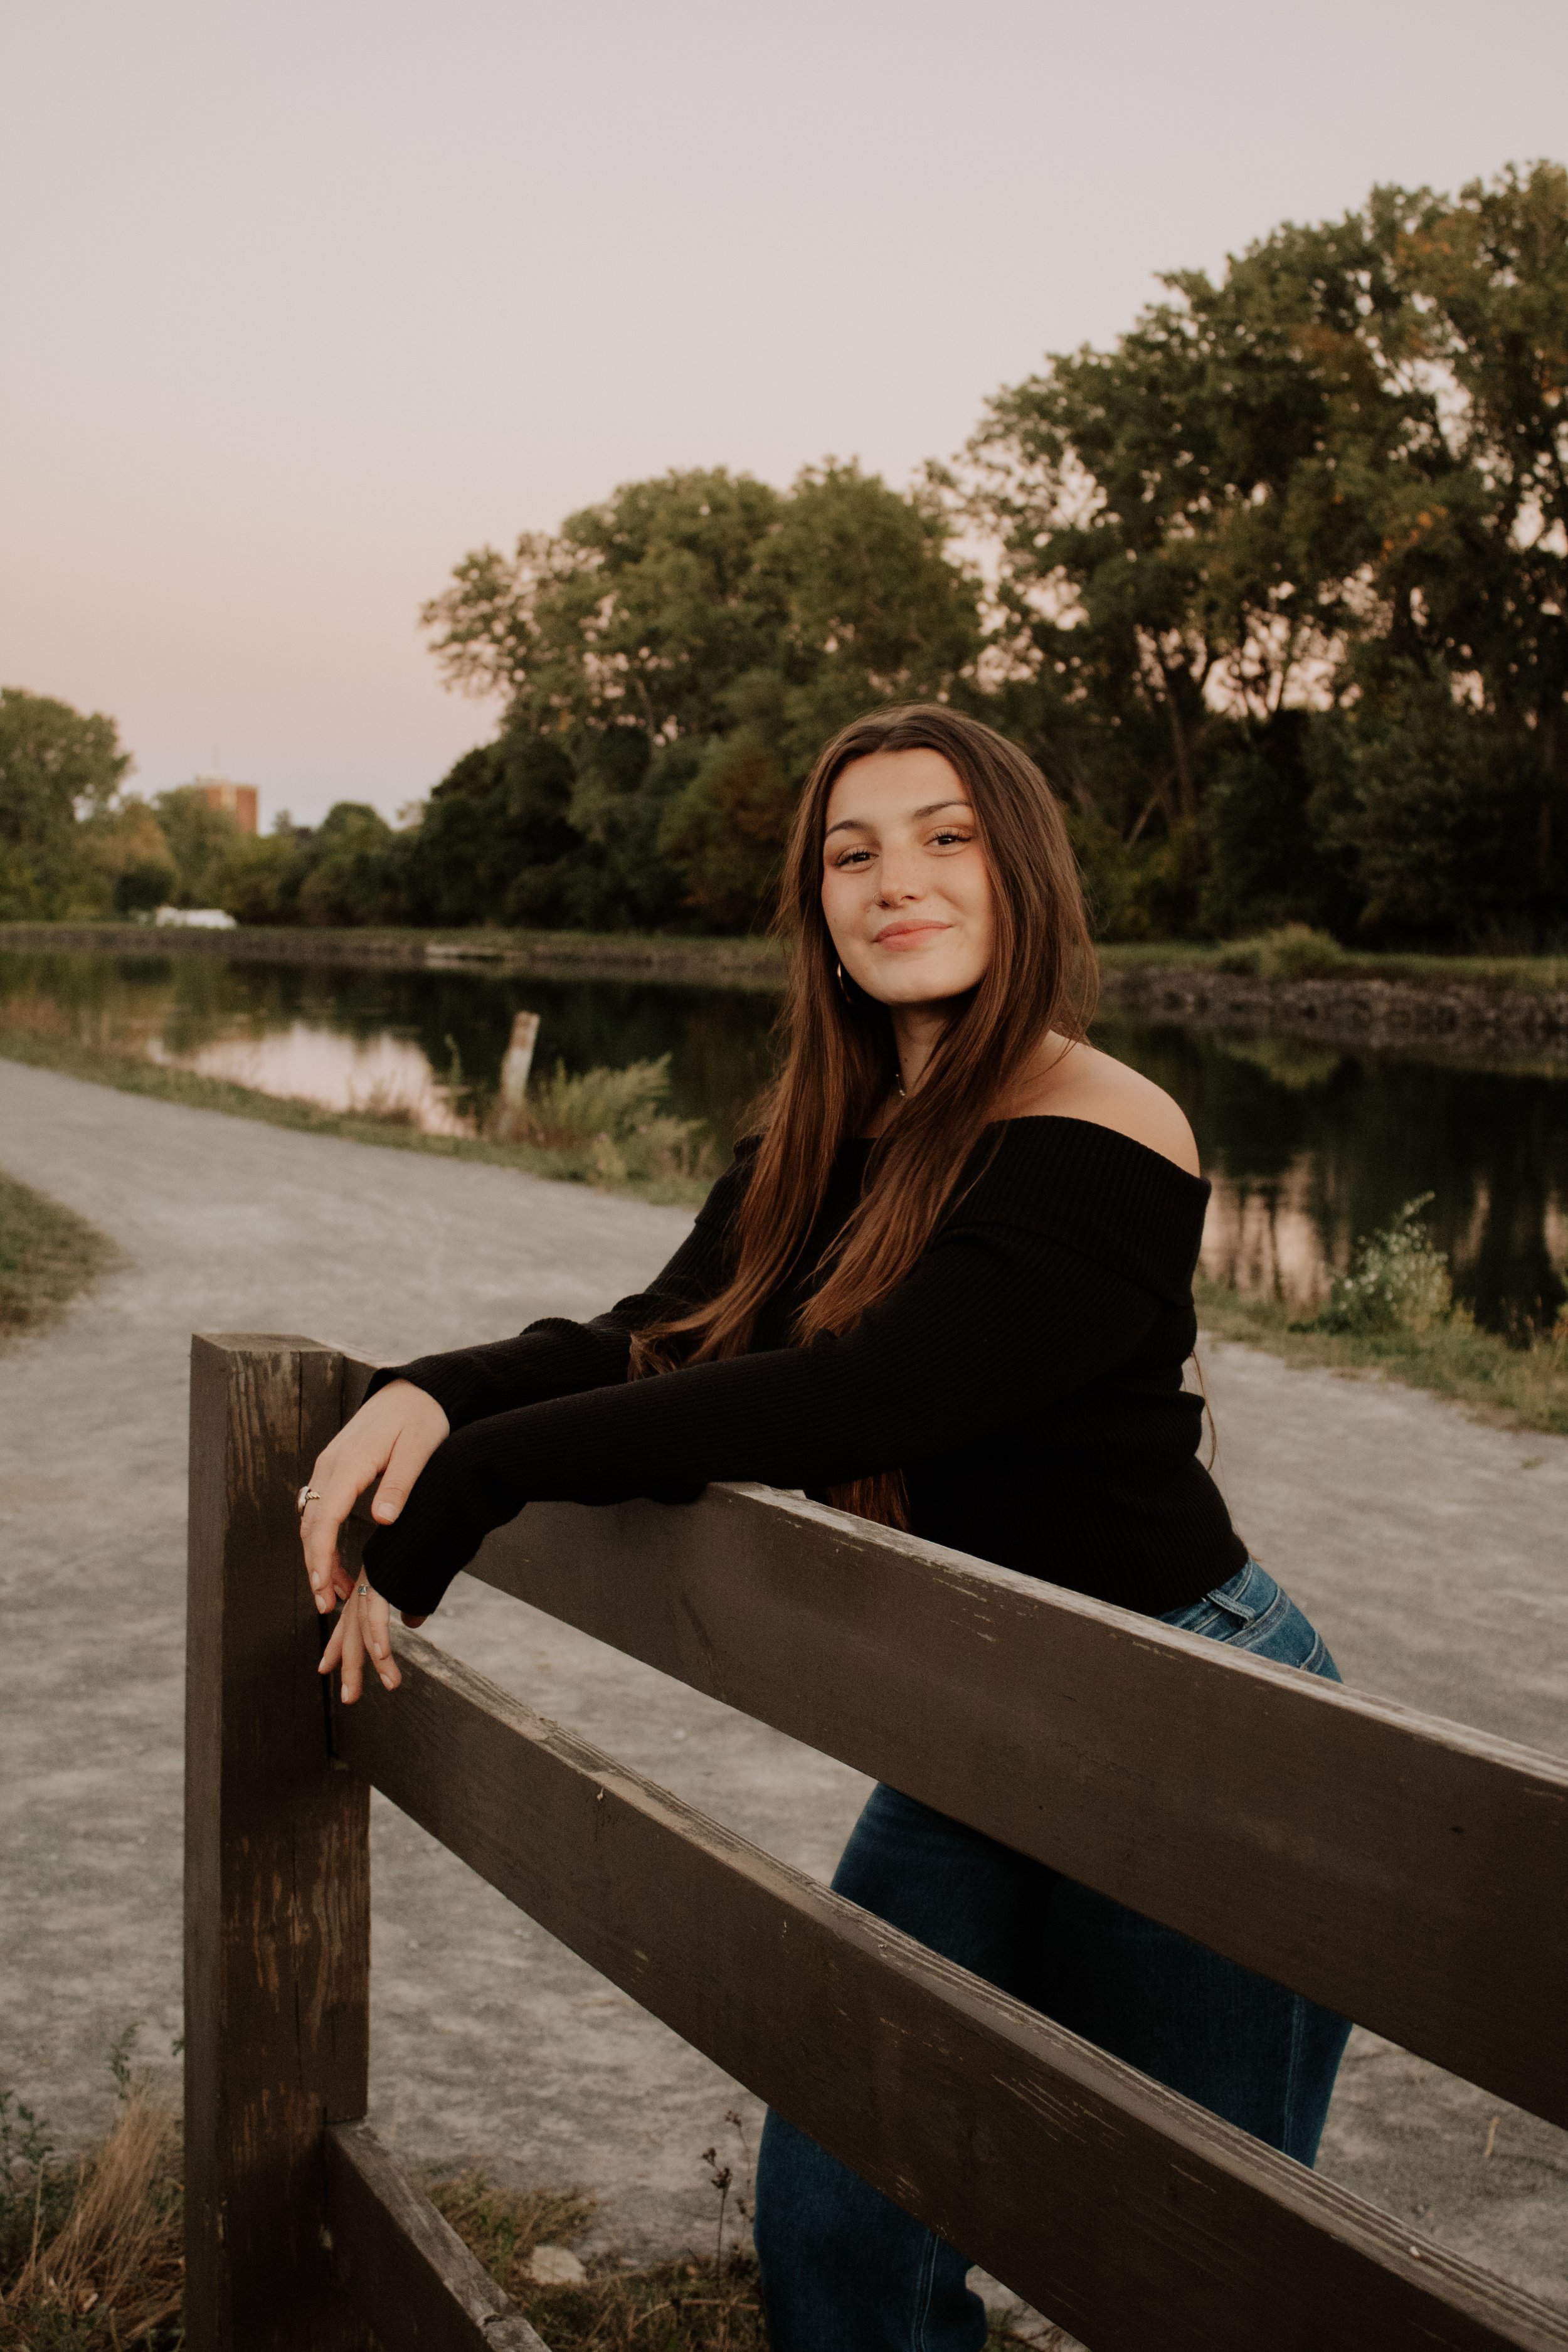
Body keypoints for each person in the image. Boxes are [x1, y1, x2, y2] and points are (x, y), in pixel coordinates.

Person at [298, 704, 1350, 2352]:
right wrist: (430, 1394)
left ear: (1023, 876)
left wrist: (472, 1490)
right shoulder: (824, 1123)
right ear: (814, 904)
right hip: (968, 1711)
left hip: (1190, 1719)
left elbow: (859, 1401)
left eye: (945, 838)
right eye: (850, 853)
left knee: (1194, 2265)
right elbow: (674, 1337)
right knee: (839, 2222)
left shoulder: (1101, 1128)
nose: (894, 882)